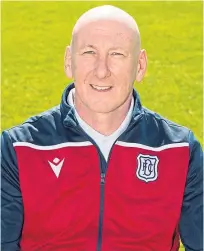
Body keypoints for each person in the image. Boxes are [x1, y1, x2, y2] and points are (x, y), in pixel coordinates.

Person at [1, 5, 203, 251]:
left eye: (117, 54)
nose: (101, 70)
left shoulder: (180, 150)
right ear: (68, 61)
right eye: (88, 52)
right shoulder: (20, 148)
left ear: (140, 65)